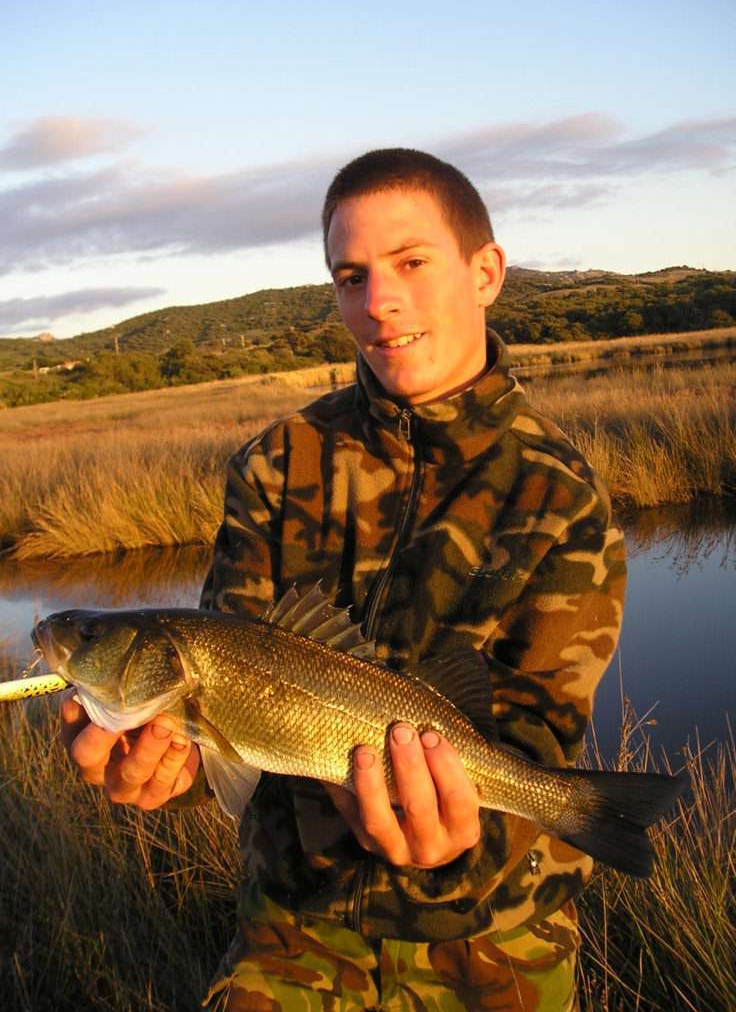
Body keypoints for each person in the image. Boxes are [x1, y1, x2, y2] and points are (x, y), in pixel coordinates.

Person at [62, 148, 626, 1010]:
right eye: (350, 276)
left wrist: (455, 842)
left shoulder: (562, 494)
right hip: (295, 924)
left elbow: (535, 739)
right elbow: (225, 721)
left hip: (494, 933)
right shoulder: (273, 465)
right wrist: (166, 770)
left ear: (486, 273)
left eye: (411, 263)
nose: (378, 301)